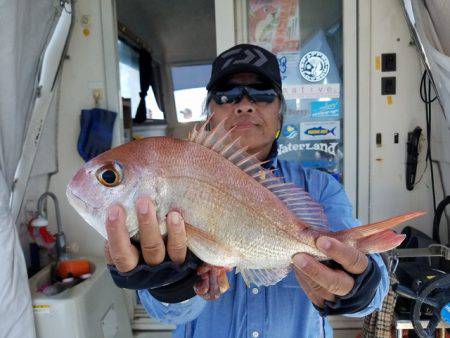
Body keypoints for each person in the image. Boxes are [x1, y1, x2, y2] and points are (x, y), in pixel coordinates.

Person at [104, 44, 388, 338]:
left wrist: (358, 288)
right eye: (226, 95)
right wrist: (173, 286)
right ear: (209, 114)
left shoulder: (320, 188)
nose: (244, 104)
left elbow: (375, 296)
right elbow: (166, 313)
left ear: (280, 112)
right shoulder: (170, 187)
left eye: (262, 93)